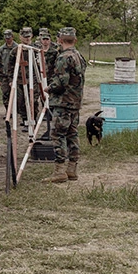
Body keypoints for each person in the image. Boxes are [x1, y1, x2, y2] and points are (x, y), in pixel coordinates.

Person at [46, 27, 87, 183]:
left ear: (59, 40)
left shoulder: (64, 57)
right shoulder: (79, 56)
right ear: (74, 40)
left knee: (58, 135)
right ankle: (72, 169)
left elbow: (61, 82)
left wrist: (49, 88)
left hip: (63, 103)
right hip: (75, 103)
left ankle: (60, 171)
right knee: (72, 134)